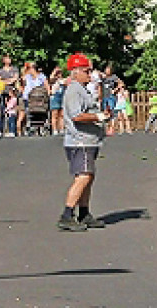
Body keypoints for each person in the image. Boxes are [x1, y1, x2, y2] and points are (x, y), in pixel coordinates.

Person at [58, 53, 108, 232]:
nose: (90, 74)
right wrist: (97, 117)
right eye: (87, 71)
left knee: (88, 177)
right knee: (83, 176)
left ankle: (84, 213)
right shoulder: (74, 90)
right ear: (76, 72)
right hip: (80, 141)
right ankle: (67, 214)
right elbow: (77, 116)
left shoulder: (82, 89)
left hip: (89, 140)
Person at [0, 55, 20, 137]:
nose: (9, 60)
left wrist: (5, 81)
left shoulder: (14, 69)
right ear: (3, 60)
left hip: (12, 93)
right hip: (2, 92)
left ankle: (12, 130)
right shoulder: (0, 71)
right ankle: (0, 129)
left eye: (10, 58)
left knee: (11, 112)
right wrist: (8, 81)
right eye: (7, 58)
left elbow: (15, 79)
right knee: (1, 111)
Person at [49, 68, 66, 134]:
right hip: (55, 97)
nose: (59, 74)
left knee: (61, 115)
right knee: (54, 114)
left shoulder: (63, 80)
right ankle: (55, 129)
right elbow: (51, 78)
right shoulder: (53, 80)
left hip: (62, 97)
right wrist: (54, 71)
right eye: (58, 73)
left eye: (60, 73)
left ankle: (61, 128)